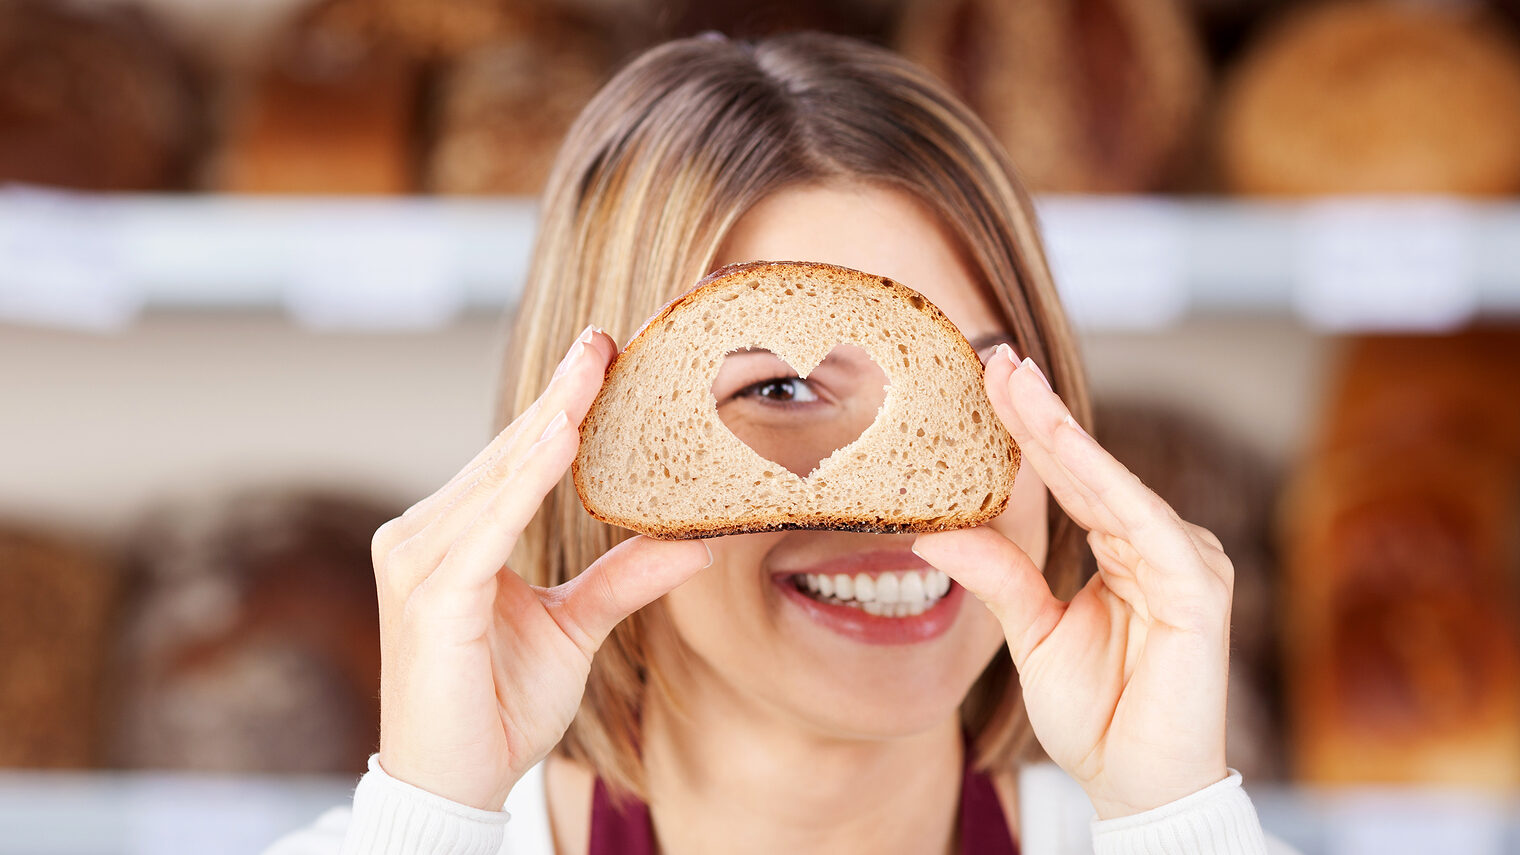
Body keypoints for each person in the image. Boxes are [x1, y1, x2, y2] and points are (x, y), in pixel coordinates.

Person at [267, 32, 1297, 855]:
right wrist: (434, 819)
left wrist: (1169, 818)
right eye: (782, 386)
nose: (890, 503)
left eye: (971, 382)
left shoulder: (1169, 834)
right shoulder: (417, 840)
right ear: (595, 440)